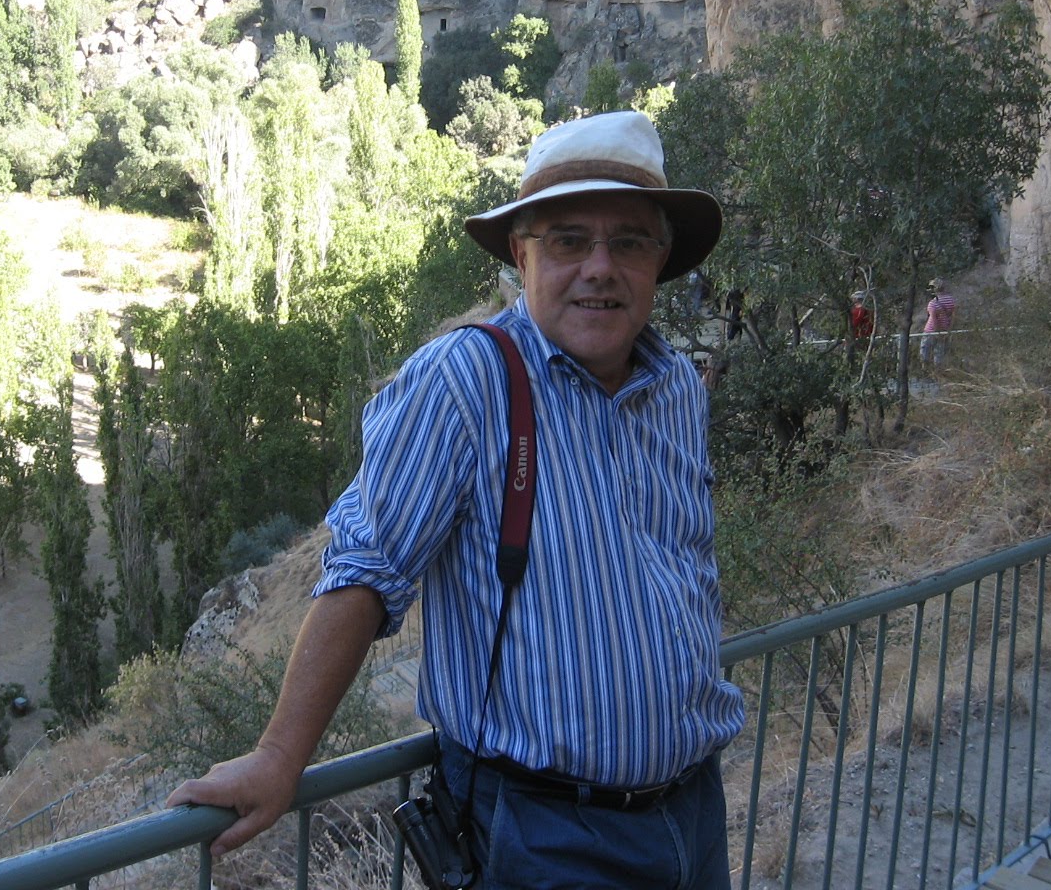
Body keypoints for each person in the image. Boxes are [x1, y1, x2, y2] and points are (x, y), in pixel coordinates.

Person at [167, 111, 745, 889]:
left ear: (660, 259)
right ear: (521, 255)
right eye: (569, 241)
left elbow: (683, 570)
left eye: (630, 242)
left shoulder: (675, 387)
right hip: (547, 837)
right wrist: (278, 758)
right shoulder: (465, 382)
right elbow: (367, 571)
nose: (600, 268)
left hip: (695, 811)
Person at [920, 278, 956, 367]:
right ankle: (938, 372)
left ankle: (925, 371)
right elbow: (953, 316)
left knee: (924, 354)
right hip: (944, 331)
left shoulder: (932, 303)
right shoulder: (951, 300)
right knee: (939, 356)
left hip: (930, 331)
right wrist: (948, 330)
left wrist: (937, 332)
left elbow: (934, 320)